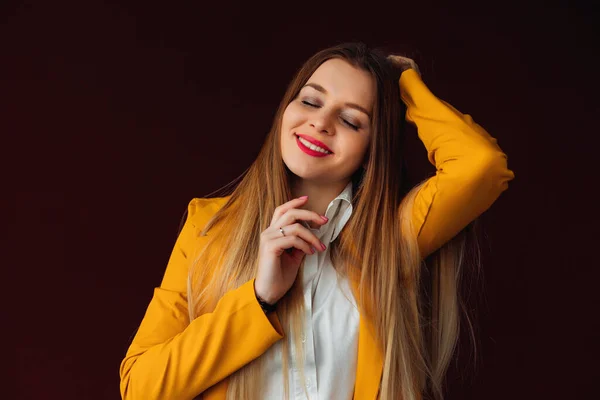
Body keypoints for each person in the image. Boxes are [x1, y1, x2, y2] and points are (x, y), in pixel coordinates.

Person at [119, 42, 514, 400]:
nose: (321, 123)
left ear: (373, 147)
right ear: (286, 110)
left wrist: (405, 84)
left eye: (352, 120)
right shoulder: (207, 226)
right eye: (310, 101)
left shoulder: (392, 236)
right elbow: (141, 388)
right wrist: (259, 297)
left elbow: (481, 166)